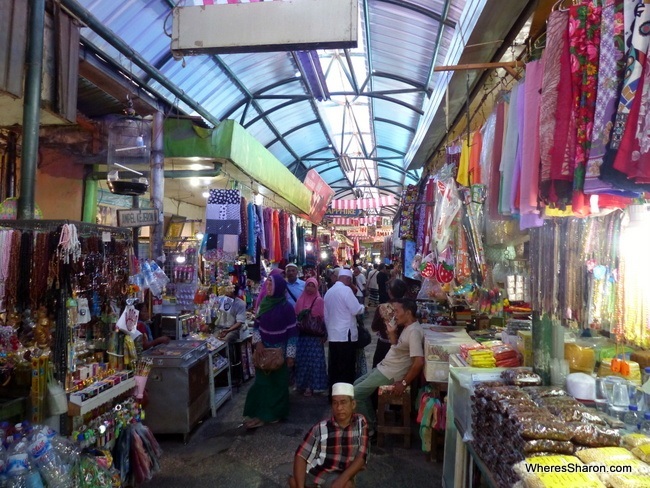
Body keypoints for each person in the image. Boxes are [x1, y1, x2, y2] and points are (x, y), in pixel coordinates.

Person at [353, 299, 424, 433]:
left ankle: (370, 428)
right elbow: (397, 348)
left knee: (355, 394)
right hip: (385, 367)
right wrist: (391, 333)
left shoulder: (414, 332)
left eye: (397, 311)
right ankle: (371, 421)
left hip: (390, 372)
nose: (394, 314)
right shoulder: (408, 327)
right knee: (356, 385)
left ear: (408, 313)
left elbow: (419, 361)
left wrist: (403, 383)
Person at [243, 274, 298, 429]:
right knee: (262, 383)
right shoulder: (264, 304)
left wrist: (290, 356)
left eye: (270, 285)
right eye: (266, 285)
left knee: (279, 385)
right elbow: (256, 326)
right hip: (264, 352)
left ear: (278, 288)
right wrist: (258, 342)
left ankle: (275, 414)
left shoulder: (287, 308)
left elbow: (292, 334)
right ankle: (260, 414)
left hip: (280, 352)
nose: (267, 288)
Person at [289, 382, 369, 488]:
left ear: (353, 404)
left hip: (337, 476)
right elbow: (301, 455)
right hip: (317, 472)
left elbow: (361, 457)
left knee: (347, 485)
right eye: (335, 403)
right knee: (294, 481)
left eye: (343, 402)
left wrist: (340, 481)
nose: (339, 408)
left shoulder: (360, 422)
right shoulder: (321, 427)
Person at [324, 269, 365, 390]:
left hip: (333, 334)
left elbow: (325, 315)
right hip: (345, 335)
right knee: (346, 366)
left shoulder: (329, 292)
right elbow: (355, 309)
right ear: (347, 279)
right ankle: (345, 393)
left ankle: (333, 394)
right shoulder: (346, 290)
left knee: (334, 365)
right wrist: (363, 307)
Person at [294, 277, 328, 396]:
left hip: (314, 337)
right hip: (302, 336)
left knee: (314, 362)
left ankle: (311, 387)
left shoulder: (319, 300)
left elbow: (323, 319)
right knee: (301, 361)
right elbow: (296, 316)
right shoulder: (300, 299)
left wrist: (325, 334)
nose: (310, 288)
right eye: (308, 285)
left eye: (313, 286)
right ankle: (301, 384)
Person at [370, 279, 408, 368]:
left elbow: (374, 327)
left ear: (389, 292)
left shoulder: (382, 307)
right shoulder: (409, 307)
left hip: (384, 345)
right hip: (404, 345)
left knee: (380, 370)